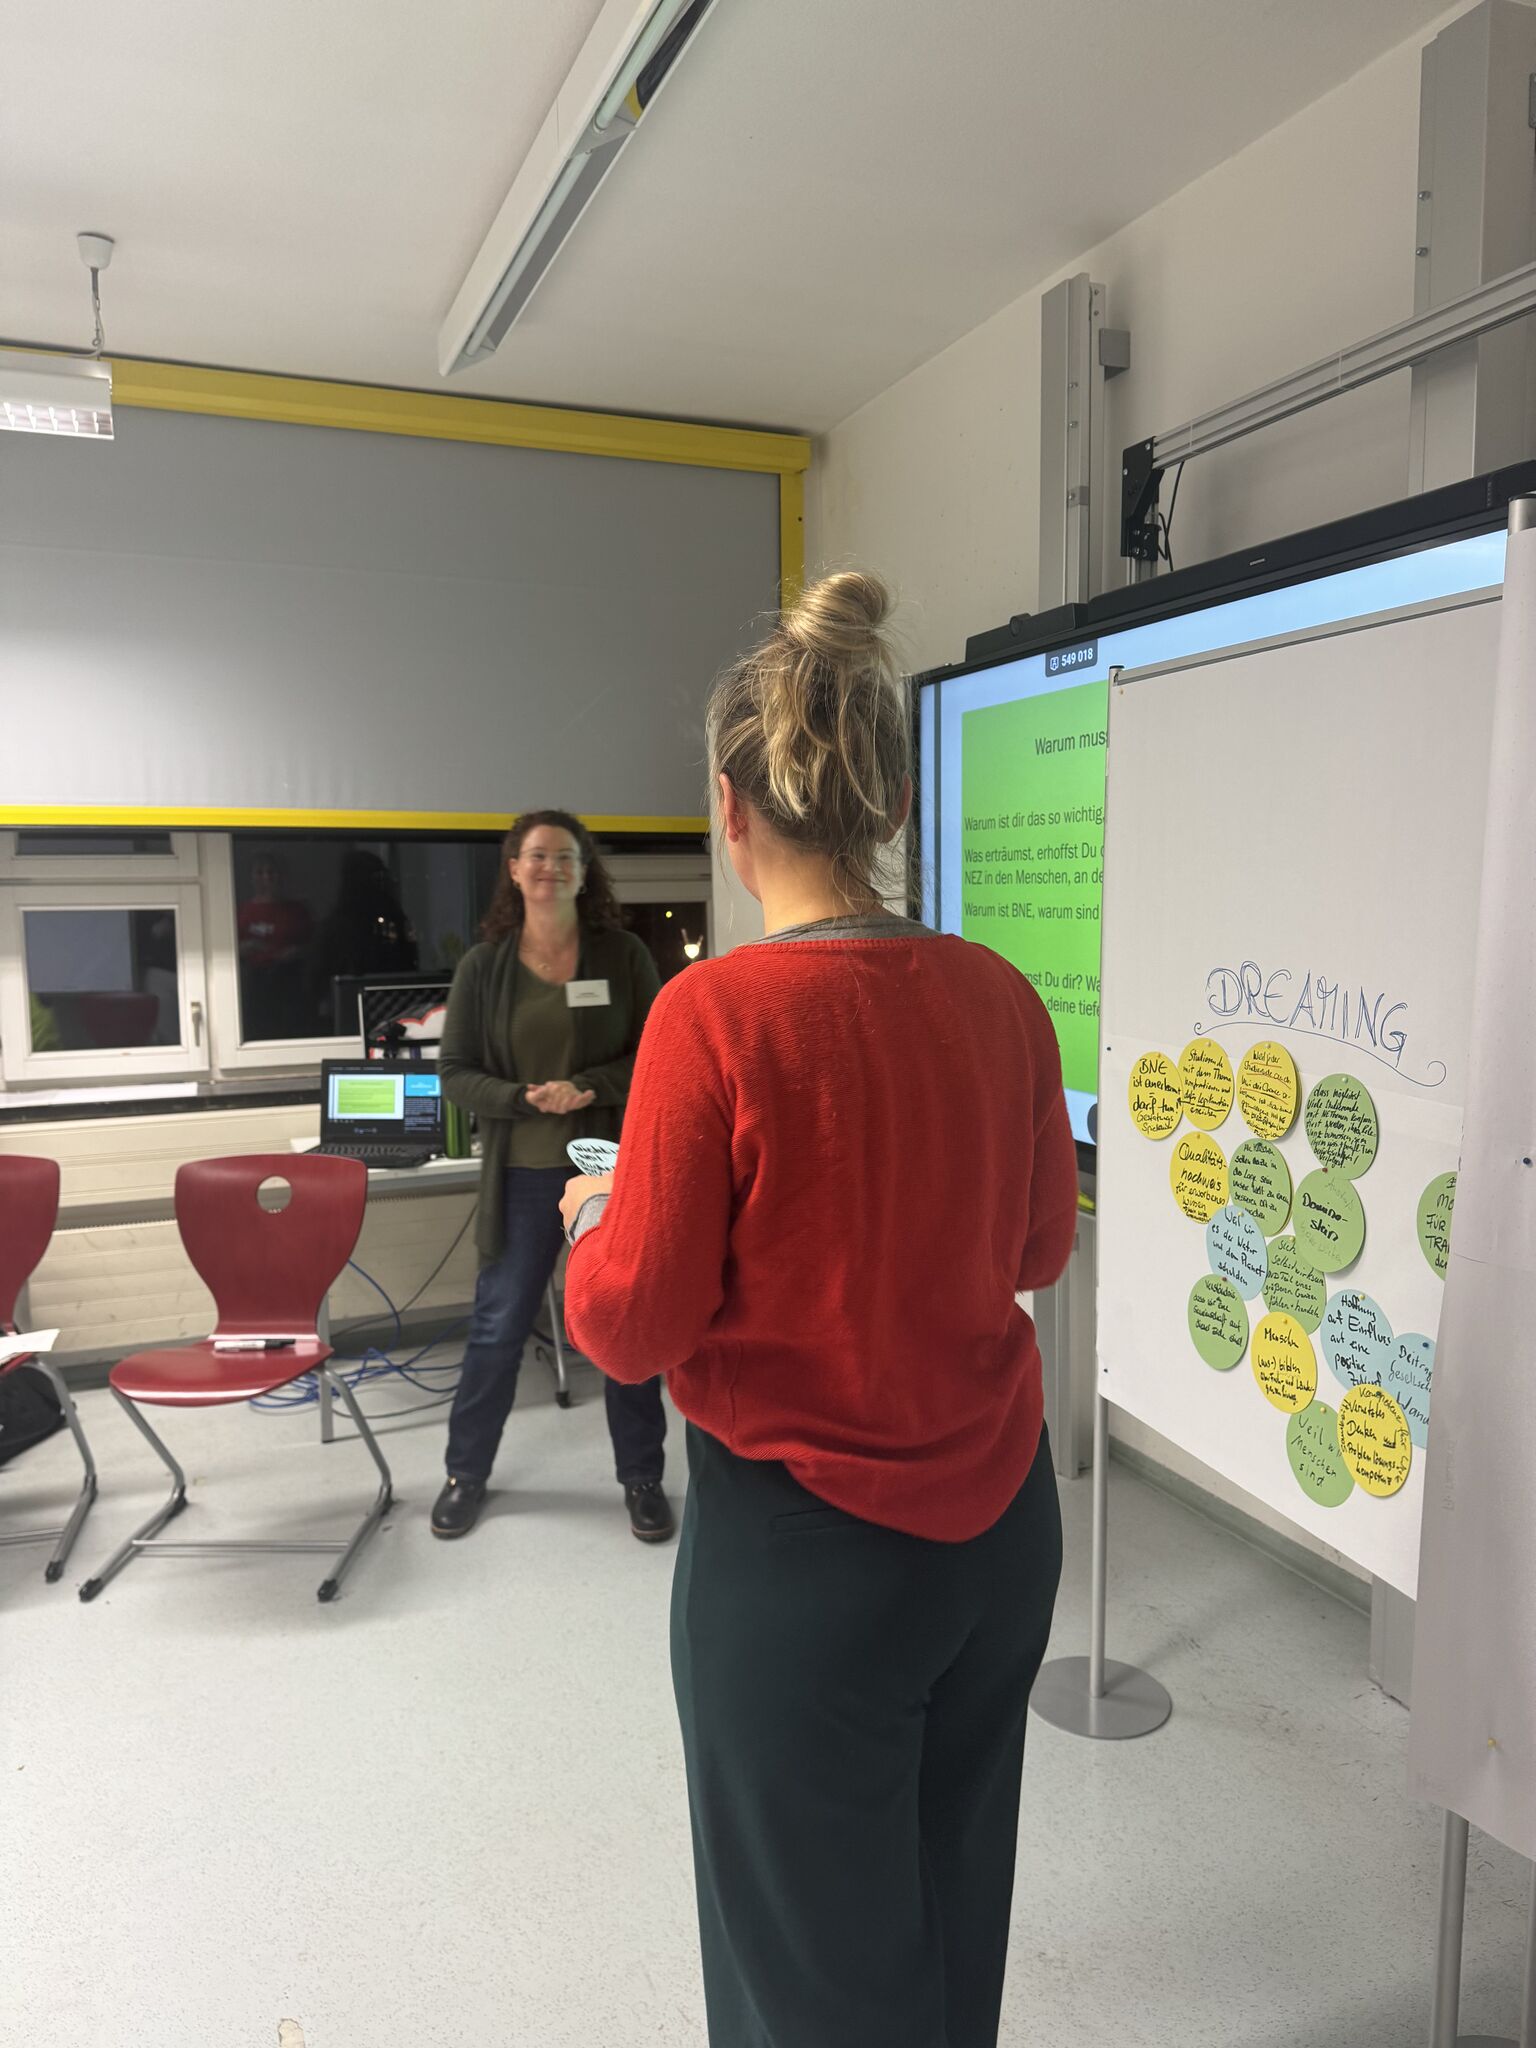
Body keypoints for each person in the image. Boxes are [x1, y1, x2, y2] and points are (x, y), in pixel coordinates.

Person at [561, 573, 1078, 2048]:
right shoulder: (1001, 995)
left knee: (808, 1981)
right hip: (1001, 1538)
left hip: (804, 1566)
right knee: (950, 1912)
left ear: (730, 814)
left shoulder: (712, 1015)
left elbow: (635, 1325)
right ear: (893, 801)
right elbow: (1039, 1247)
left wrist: (597, 1224)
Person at [432, 810, 671, 1544]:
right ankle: (465, 1475)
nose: (550, 868)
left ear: (584, 871)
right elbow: (454, 1073)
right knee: (499, 1326)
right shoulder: (485, 967)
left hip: (607, 1174)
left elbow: (658, 1053)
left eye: (566, 856)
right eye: (536, 855)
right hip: (524, 1177)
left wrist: (590, 1086)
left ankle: (643, 1479)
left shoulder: (622, 954)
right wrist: (519, 1098)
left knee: (623, 1325)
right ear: (513, 869)